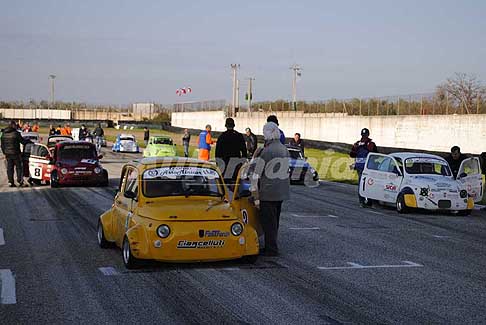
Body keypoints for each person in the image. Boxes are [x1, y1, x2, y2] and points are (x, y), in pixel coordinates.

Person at [255, 122, 290, 256]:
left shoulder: (266, 151)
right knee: (275, 219)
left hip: (268, 191)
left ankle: (271, 248)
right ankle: (272, 244)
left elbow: (258, 171)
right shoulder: (284, 149)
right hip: (281, 190)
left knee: (268, 221)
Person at [215, 118, 247, 187]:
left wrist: (218, 164)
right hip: (236, 165)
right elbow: (244, 151)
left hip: (224, 165)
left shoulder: (222, 136)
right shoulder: (239, 136)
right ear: (234, 125)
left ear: (226, 125)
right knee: (236, 186)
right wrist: (242, 162)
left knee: (225, 186)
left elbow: (217, 153)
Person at [350, 128, 378, 206]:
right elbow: (375, 154)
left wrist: (357, 147)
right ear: (368, 134)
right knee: (369, 184)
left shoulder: (357, 143)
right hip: (368, 167)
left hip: (359, 166)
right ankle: (367, 200)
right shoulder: (371, 143)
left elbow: (352, 154)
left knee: (361, 183)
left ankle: (362, 201)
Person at [1, 121, 30, 187]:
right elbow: (23, 142)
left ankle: (10, 182)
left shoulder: (3, 134)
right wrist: (28, 140)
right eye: (15, 125)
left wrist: (4, 152)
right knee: (19, 167)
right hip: (16, 153)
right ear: (13, 125)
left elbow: (2, 145)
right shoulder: (16, 133)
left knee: (9, 168)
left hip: (8, 154)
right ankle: (20, 181)